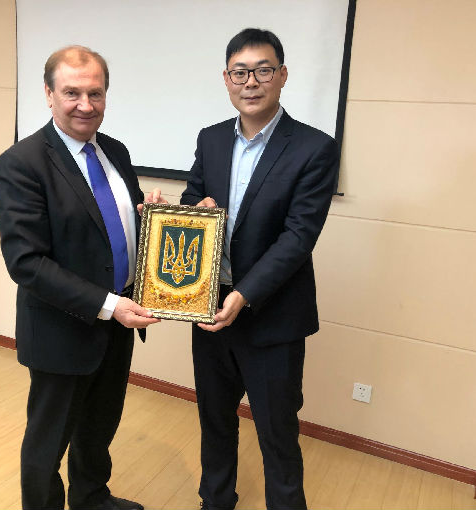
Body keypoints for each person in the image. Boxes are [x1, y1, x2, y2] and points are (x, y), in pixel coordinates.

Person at [0, 45, 164, 510]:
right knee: (48, 442)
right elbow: (26, 262)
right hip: (62, 329)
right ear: (49, 94)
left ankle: (91, 498)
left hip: (119, 323)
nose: (85, 105)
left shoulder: (115, 151)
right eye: (72, 93)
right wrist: (108, 305)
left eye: (96, 93)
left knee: (99, 425)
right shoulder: (22, 163)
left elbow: (109, 229)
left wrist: (152, 221)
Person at [180, 28, 340, 510]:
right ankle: (216, 501)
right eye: (240, 72)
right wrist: (190, 212)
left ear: (282, 75)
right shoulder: (210, 139)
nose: (251, 82)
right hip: (209, 309)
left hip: (272, 317)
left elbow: (298, 237)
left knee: (277, 433)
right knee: (214, 421)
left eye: (263, 70)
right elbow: (193, 201)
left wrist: (244, 294)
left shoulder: (314, 147)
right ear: (226, 79)